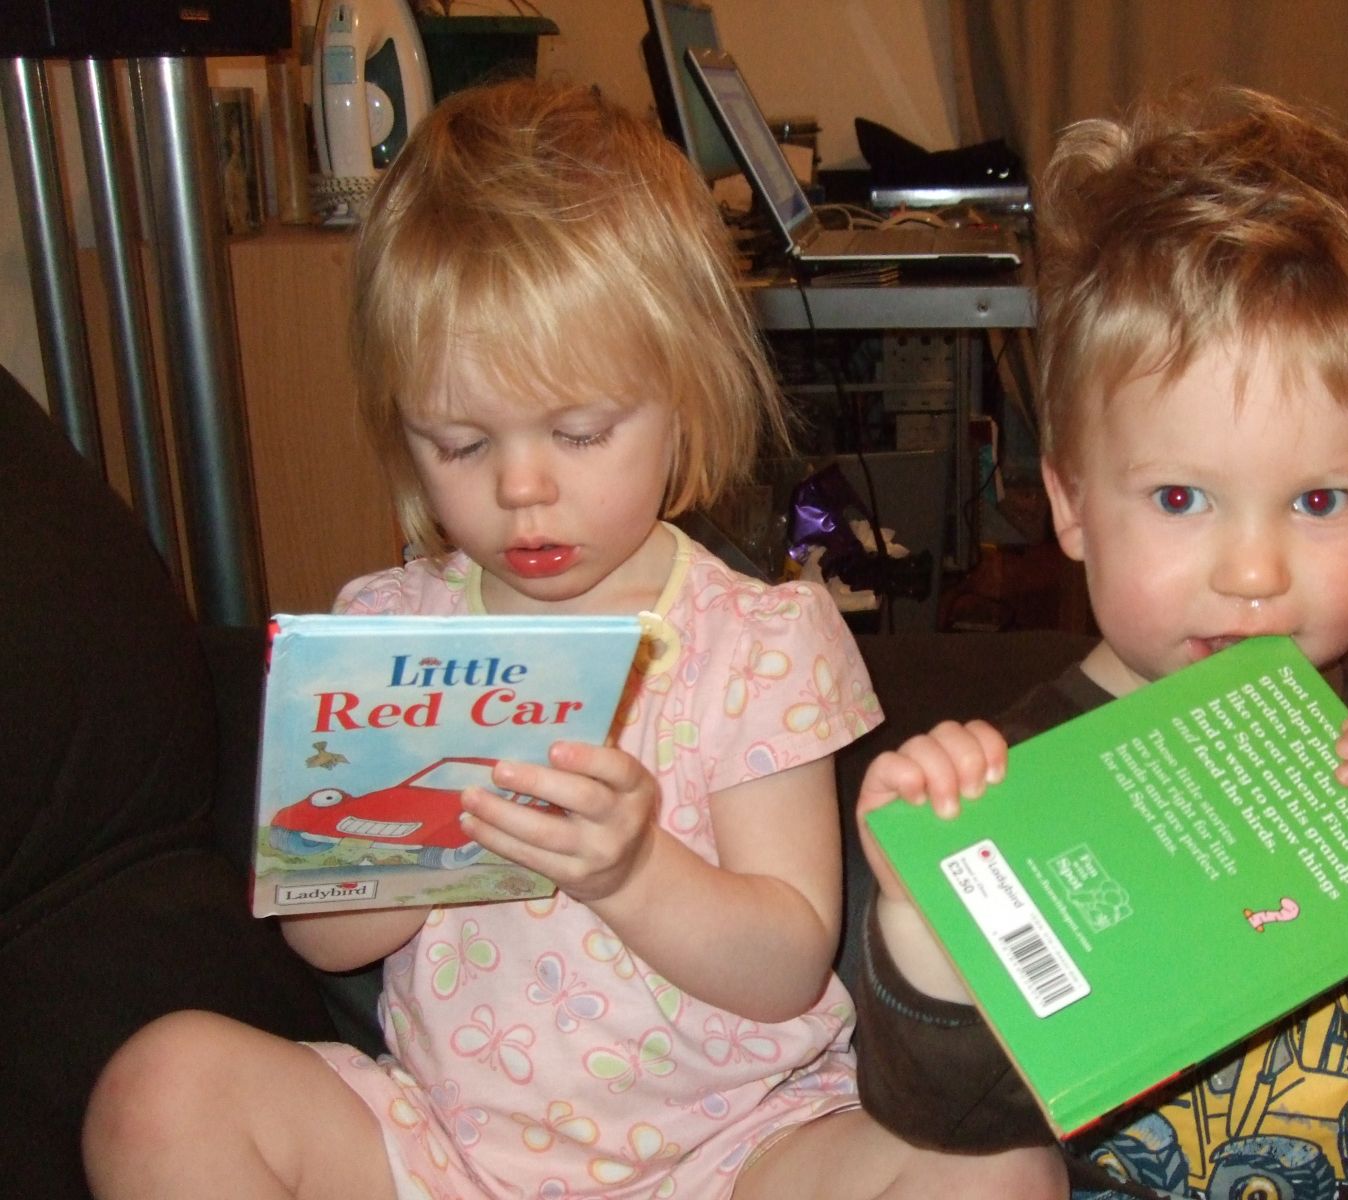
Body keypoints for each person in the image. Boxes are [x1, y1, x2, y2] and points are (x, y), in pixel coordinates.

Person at [80, 80, 1060, 1200]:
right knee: (159, 1091)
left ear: (684, 400)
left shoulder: (757, 643)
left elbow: (787, 965)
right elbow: (320, 941)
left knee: (997, 1169)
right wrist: (414, 836)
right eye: (459, 443)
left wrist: (635, 872)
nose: (521, 489)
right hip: (443, 1152)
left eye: (581, 432)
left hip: (735, 1154)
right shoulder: (390, 633)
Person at [852, 85, 1348, 1200]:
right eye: (1179, 497)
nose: (1253, 574)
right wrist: (925, 928)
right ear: (1070, 505)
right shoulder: (1021, 784)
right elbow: (939, 1117)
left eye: (1318, 501)